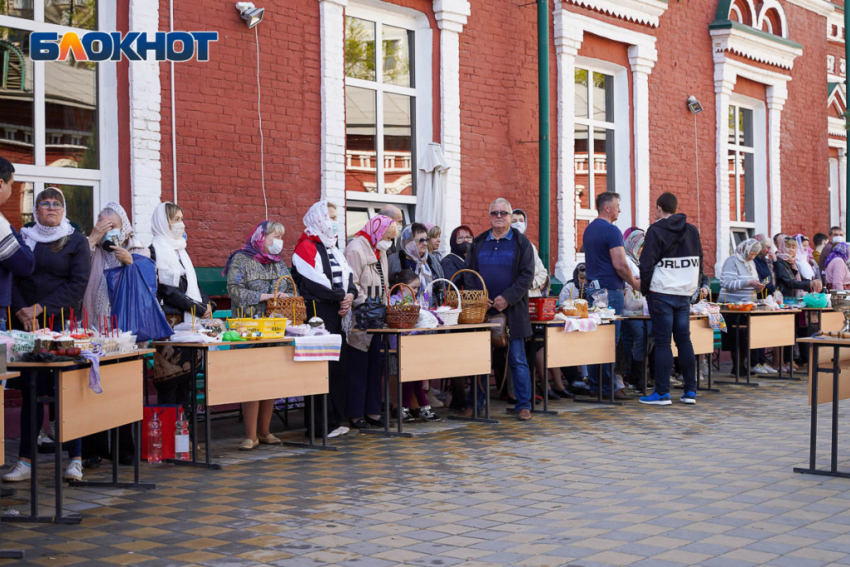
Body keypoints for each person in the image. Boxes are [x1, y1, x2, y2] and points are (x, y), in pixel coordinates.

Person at [5, 186, 90, 482]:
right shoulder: (22, 238)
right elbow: (10, 276)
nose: (51, 208)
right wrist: (22, 311)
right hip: (25, 326)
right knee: (31, 391)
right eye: (45, 204)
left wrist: (40, 308)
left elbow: (78, 284)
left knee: (65, 390)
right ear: (36, 210)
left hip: (61, 325)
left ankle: (75, 459)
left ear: (63, 210)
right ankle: (25, 461)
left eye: (56, 204)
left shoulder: (76, 241)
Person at [81, 202, 150, 469]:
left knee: (123, 388)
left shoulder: (137, 247)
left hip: (125, 331)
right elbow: (75, 271)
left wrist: (130, 262)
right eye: (103, 225)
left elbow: (149, 283)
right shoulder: (91, 247)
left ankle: (124, 449)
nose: (108, 231)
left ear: (123, 226)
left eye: (112, 226)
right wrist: (92, 240)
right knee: (94, 387)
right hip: (94, 327)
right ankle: (93, 449)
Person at [461, 197, 535, 421]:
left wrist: (507, 298)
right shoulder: (480, 241)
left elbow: (526, 276)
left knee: (518, 360)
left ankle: (524, 404)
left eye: (504, 213)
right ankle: (476, 404)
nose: (499, 217)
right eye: (495, 213)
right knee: (480, 360)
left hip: (512, 311)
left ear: (511, 217)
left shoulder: (522, 243)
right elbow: (469, 273)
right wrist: (482, 299)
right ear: (490, 216)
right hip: (483, 311)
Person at [223, 220, 292, 450]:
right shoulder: (241, 259)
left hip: (274, 327)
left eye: (281, 237)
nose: (278, 242)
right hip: (247, 328)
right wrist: (263, 297)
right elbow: (233, 289)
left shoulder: (278, 263)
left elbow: (291, 288)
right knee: (252, 379)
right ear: (261, 237)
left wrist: (283, 296)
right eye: (274, 236)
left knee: (270, 378)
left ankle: (264, 431)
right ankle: (250, 435)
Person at [292, 201, 357, 439]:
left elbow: (348, 276)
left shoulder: (333, 247)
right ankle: (320, 425)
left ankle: (335, 419)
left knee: (338, 368)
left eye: (335, 216)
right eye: (329, 216)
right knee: (321, 368)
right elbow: (314, 281)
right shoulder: (306, 246)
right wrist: (341, 297)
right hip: (318, 313)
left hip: (338, 313)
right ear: (318, 219)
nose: (333, 221)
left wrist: (350, 295)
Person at [638, 192, 703, 406]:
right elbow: (699, 261)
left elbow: (646, 264)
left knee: (663, 342)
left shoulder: (656, 230)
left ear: (658, 208)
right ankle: (690, 391)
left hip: (661, 292)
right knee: (684, 340)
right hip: (684, 292)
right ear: (675, 208)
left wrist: (646, 290)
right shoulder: (692, 230)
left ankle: (662, 393)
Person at [150, 202, 216, 407]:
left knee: (186, 383)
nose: (181, 224)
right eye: (175, 220)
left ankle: (185, 433)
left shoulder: (180, 250)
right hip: (169, 325)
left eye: (181, 219)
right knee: (170, 383)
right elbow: (167, 290)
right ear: (163, 222)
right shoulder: (155, 250)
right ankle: (169, 435)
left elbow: (192, 283)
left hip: (189, 325)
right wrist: (198, 308)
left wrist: (208, 304)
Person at [581, 192, 638, 399]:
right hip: (610, 292)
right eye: (617, 206)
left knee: (596, 339)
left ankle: (596, 385)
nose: (619, 210)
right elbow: (620, 264)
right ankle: (609, 388)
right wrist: (634, 283)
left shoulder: (588, 230)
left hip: (592, 290)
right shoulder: (612, 231)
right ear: (607, 208)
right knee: (609, 340)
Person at [344, 215, 397, 429]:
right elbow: (352, 282)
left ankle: (373, 411)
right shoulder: (356, 248)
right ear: (377, 231)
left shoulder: (380, 250)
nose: (389, 242)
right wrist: (366, 304)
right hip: (361, 316)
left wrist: (383, 307)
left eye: (391, 238)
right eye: (387, 236)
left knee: (376, 365)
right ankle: (356, 414)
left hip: (378, 317)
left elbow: (383, 282)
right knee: (358, 367)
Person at [388, 269, 441, 422]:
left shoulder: (414, 302)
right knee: (403, 378)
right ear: (402, 287)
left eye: (417, 288)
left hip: (413, 345)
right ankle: (402, 407)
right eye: (414, 287)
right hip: (397, 346)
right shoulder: (393, 302)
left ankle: (421, 406)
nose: (416, 291)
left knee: (416, 376)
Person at [774, 234, 822, 371]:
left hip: (793, 300)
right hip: (784, 300)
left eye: (793, 247)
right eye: (788, 247)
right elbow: (788, 282)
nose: (790, 250)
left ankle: (789, 360)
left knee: (792, 332)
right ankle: (782, 361)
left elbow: (796, 281)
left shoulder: (791, 262)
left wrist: (810, 283)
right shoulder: (780, 262)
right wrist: (808, 284)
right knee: (784, 332)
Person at [720, 238, 766, 376]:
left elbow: (752, 283)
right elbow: (726, 283)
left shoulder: (750, 263)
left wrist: (758, 287)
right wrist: (749, 282)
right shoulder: (732, 261)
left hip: (747, 306)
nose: (751, 257)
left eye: (754, 255)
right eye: (750, 253)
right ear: (744, 249)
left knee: (746, 337)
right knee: (736, 338)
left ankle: (743, 366)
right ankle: (737, 367)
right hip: (732, 307)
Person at [441, 225, 474, 410]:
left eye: (468, 237)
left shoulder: (472, 259)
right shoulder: (449, 261)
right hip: (456, 316)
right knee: (458, 358)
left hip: (473, 315)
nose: (465, 241)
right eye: (460, 238)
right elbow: (450, 288)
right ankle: (458, 399)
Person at [388, 223, 443, 306]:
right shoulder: (394, 260)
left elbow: (442, 284)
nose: (425, 243)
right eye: (421, 240)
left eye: (426, 240)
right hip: (404, 313)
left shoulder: (432, 259)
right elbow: (388, 287)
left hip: (432, 312)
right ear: (408, 242)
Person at [621, 229, 649, 389]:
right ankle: (635, 376)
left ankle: (635, 375)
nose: (642, 251)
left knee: (637, 339)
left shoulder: (636, 261)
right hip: (630, 309)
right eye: (640, 247)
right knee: (639, 338)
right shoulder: (626, 260)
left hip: (640, 308)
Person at [752, 234, 779, 375]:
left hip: (766, 298)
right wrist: (769, 287)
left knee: (763, 333)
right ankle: (755, 362)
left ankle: (762, 361)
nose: (769, 250)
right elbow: (759, 280)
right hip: (757, 299)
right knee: (756, 333)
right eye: (767, 247)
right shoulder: (754, 261)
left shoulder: (763, 260)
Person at [511, 209, 549, 297]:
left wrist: (532, 283)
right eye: (514, 221)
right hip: (513, 296)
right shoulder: (505, 246)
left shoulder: (530, 246)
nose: (518, 223)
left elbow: (543, 272)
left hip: (532, 296)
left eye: (521, 221)